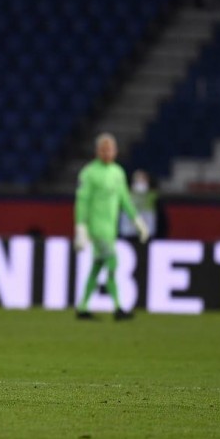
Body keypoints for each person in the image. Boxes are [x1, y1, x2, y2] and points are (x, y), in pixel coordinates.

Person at [74, 132, 149, 321]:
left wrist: (138, 222)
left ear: (115, 151)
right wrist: (81, 227)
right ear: (97, 151)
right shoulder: (89, 173)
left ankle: (82, 307)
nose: (107, 152)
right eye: (104, 149)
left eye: (110, 149)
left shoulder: (118, 173)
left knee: (97, 266)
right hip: (97, 229)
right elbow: (82, 202)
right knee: (113, 262)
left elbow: (125, 200)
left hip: (110, 230)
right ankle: (117, 308)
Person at [119, 169, 158, 240]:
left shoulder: (153, 196)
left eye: (143, 179)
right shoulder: (125, 196)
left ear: (147, 181)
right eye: (137, 179)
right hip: (128, 233)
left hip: (148, 233)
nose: (140, 182)